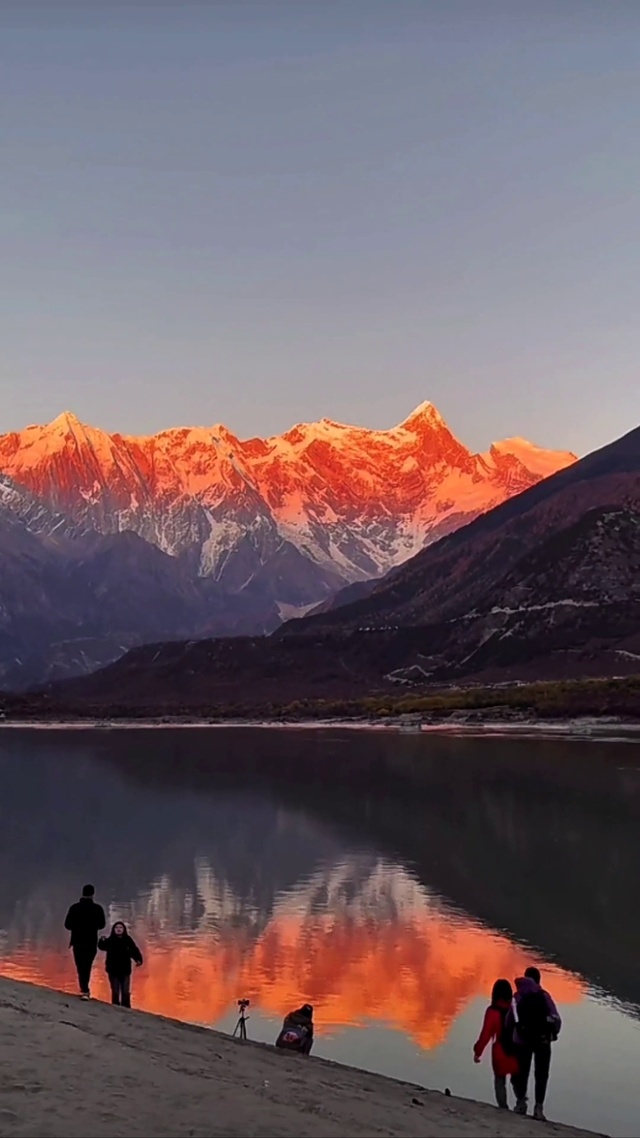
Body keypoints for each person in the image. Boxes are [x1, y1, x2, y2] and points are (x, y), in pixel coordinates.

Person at [508, 966, 562, 1122]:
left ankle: (520, 1103)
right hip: (543, 1040)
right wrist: (552, 1033)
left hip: (522, 1039)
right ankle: (538, 1108)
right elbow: (557, 1019)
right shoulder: (544, 996)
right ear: (539, 981)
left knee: (521, 1073)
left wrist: (512, 1033)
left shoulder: (518, 996)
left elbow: (509, 1021)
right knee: (541, 1075)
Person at [473, 978, 519, 1109]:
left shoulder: (492, 1011)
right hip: (516, 1051)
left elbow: (486, 1034)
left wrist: (478, 1052)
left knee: (500, 1081)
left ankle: (503, 1107)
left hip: (500, 1052)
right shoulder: (515, 1009)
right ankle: (521, 1104)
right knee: (518, 1081)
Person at [64, 884, 106, 999]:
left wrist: (77, 926)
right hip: (91, 941)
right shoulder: (97, 909)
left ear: (82, 893)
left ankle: (84, 989)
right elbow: (102, 925)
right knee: (87, 965)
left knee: (80, 965)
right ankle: (85, 989)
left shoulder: (74, 908)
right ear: (93, 894)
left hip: (77, 940)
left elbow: (67, 925)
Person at [98, 921, 143, 1008]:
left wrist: (138, 960)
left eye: (120, 928)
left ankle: (126, 1007)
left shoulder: (128, 940)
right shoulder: (110, 940)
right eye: (117, 928)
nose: (118, 929)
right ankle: (115, 1007)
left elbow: (134, 950)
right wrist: (101, 941)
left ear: (124, 929)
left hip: (125, 969)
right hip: (113, 970)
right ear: (114, 930)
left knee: (125, 991)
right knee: (115, 990)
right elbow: (102, 947)